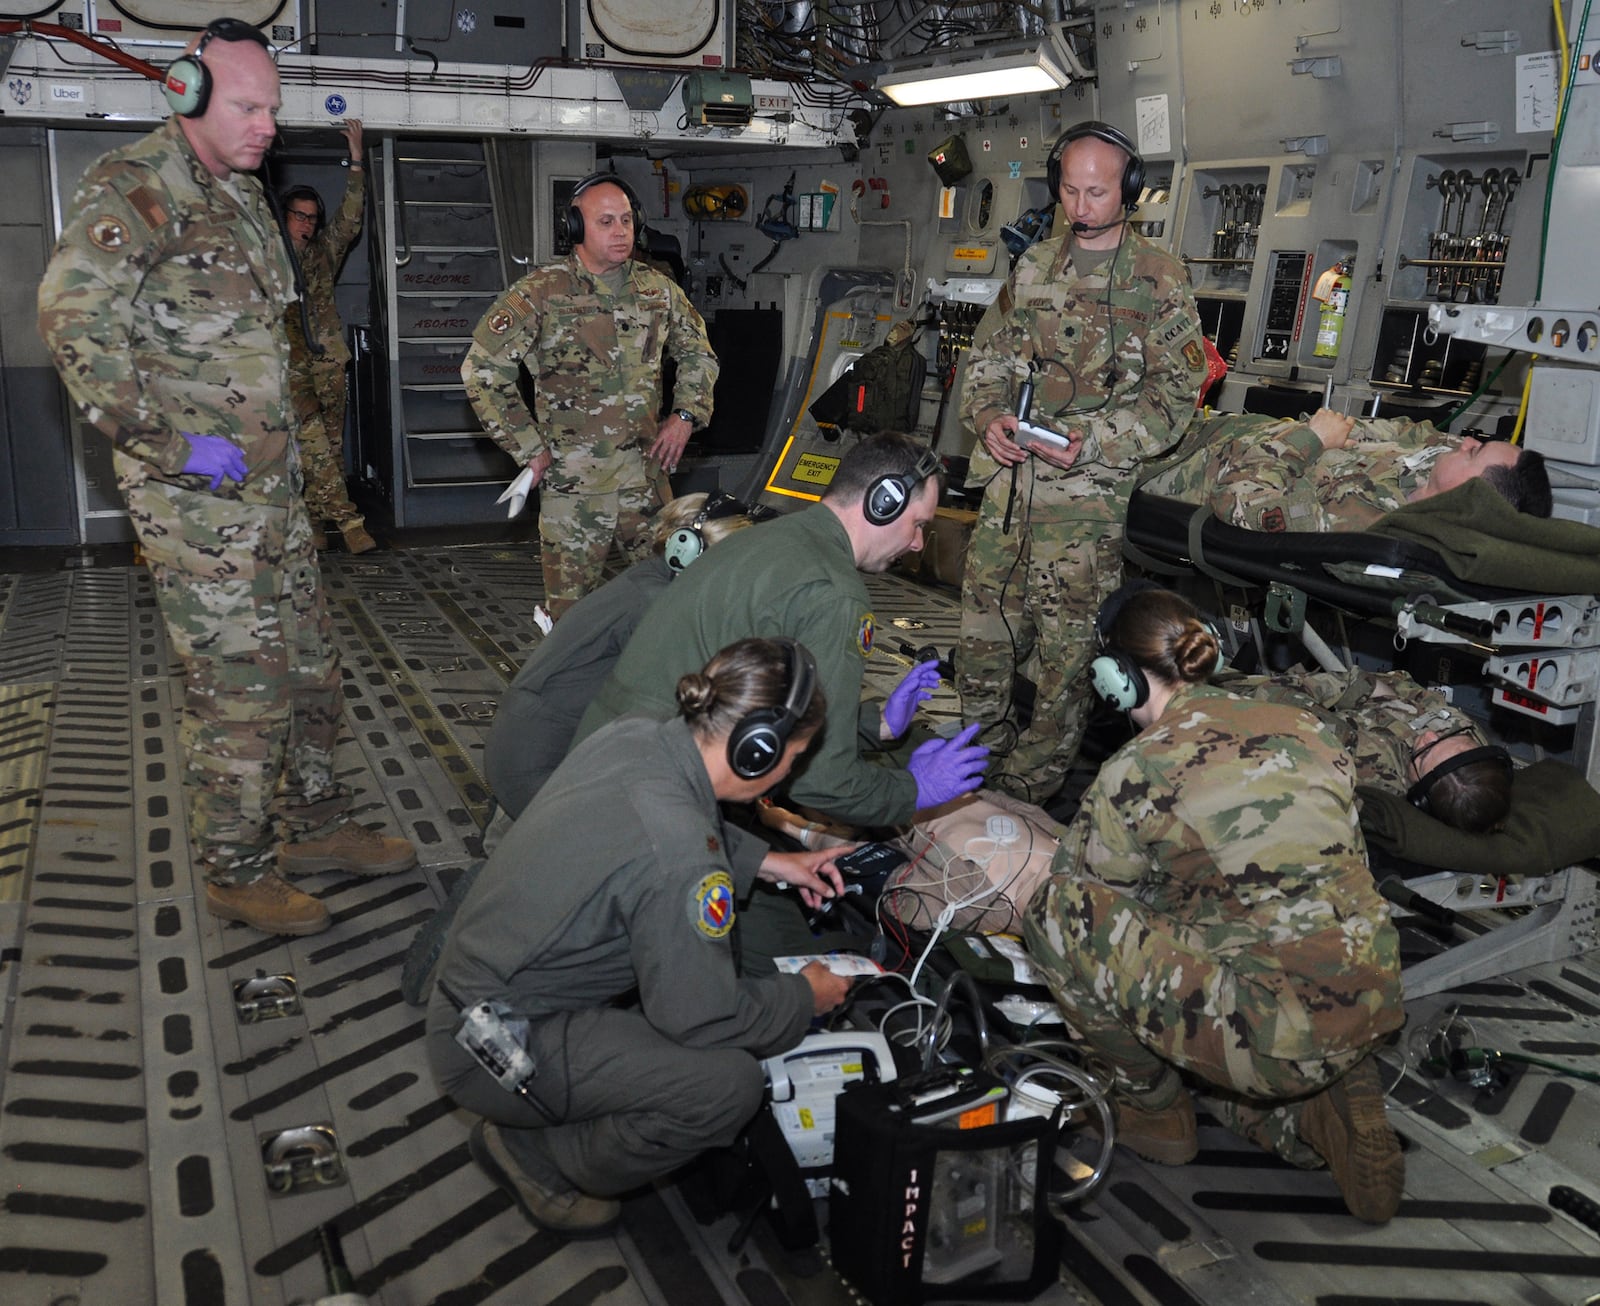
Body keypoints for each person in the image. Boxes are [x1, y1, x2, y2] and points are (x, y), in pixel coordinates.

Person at [36, 18, 415, 937]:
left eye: (273, 108)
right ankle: (235, 869)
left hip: (275, 495)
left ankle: (315, 825)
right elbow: (70, 323)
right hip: (199, 506)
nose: (268, 127)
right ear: (188, 92)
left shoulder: (244, 195)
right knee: (240, 688)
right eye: (249, 106)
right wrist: (168, 446)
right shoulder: (136, 186)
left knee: (315, 670)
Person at [427, 638, 853, 1232]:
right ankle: (536, 1158)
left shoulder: (640, 736)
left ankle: (564, 1103)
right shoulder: (681, 858)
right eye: (795, 757)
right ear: (758, 753)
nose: (792, 770)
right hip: (493, 1047)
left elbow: (664, 824)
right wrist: (806, 996)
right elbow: (702, 1017)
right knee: (727, 1086)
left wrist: (769, 863)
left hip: (467, 992)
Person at [1022, 586, 1405, 1224]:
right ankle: (1314, 1115)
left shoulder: (1136, 769)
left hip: (1273, 1029)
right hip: (1372, 996)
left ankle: (1152, 1111)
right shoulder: (1303, 725)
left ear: (1116, 678)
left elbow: (1093, 895)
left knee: (1059, 913)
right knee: (1226, 953)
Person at [956, 119, 1209, 803]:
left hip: (1087, 504)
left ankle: (1021, 804)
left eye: (1097, 192)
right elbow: (986, 363)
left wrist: (1091, 441)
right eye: (1069, 190)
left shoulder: (1159, 279)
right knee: (982, 648)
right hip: (1011, 493)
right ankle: (971, 786)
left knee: (1065, 671)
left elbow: (1174, 396)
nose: (1080, 207)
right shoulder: (1035, 265)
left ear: (1129, 189)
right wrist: (988, 418)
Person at [575, 431, 990, 829]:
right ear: (884, 503)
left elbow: (759, 703)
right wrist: (914, 790)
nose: (918, 543)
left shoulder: (765, 538)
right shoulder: (834, 594)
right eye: (918, 524)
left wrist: (874, 724)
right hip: (648, 805)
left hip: (601, 767)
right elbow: (823, 783)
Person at [461, 171, 720, 620]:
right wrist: (528, 447)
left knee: (675, 602)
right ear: (575, 229)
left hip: (645, 480)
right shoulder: (542, 292)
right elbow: (482, 369)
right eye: (605, 222)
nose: (620, 232)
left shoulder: (657, 289)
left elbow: (699, 352)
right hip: (575, 493)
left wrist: (684, 415)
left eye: (626, 220)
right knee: (570, 620)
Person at [485, 491, 753, 820]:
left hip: (521, 750)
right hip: (540, 772)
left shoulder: (647, 580)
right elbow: (678, 715)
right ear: (687, 550)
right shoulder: (656, 605)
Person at [1146, 407, 1553, 531]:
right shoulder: (1427, 460)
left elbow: (1237, 497)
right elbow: (1405, 430)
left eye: (1475, 453)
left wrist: (1312, 441)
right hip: (1200, 425)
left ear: (1472, 499)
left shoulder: (1361, 518)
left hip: (1165, 466)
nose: (1465, 441)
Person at [1227, 664, 1512, 833]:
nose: (1427, 735)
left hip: (1230, 706)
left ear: (1418, 799)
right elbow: (1403, 683)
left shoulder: (1369, 765)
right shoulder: (1468, 739)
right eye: (1445, 737)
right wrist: (1376, 689)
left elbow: (1274, 697)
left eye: (1423, 754)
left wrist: (1364, 688)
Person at [280, 118, 376, 555]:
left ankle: (318, 522)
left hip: (328, 361)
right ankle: (334, 521)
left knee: (329, 447)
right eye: (299, 216)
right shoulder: (267, 258)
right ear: (284, 218)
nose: (306, 224)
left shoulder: (322, 254)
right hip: (288, 368)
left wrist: (356, 161)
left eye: (311, 218)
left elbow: (350, 220)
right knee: (306, 443)